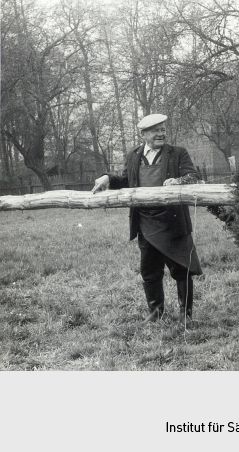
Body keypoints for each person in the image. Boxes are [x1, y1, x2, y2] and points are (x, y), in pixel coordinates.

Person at [92, 113, 202, 323]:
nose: (161, 134)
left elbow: (193, 176)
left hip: (173, 222)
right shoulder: (134, 155)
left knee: (181, 270)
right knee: (150, 272)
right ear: (143, 134)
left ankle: (185, 315)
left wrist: (179, 181)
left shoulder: (178, 153)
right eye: (155, 130)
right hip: (145, 222)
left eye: (162, 129)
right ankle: (155, 314)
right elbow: (126, 179)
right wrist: (108, 177)